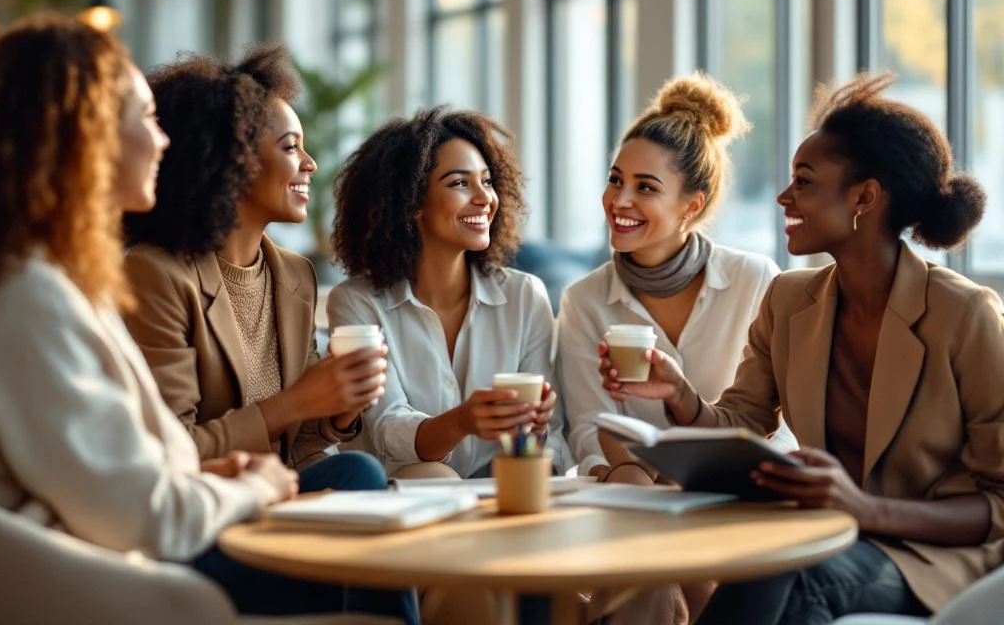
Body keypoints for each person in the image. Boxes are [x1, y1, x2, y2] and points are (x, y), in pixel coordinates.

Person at [0, 15, 416, 622]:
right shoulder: (38, 298)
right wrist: (248, 484)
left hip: (155, 529)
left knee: (361, 487)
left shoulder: (62, 284)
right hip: (114, 574)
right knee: (369, 539)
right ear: (87, 136)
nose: (162, 141)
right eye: (144, 121)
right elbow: (137, 511)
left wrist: (313, 421)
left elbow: (133, 462)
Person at [601, 72, 1004, 625]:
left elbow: (999, 502)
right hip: (823, 534)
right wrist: (680, 394)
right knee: (751, 558)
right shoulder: (789, 300)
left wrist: (865, 509)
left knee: (790, 575)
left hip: (933, 557)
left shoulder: (966, 314)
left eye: (804, 181)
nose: (784, 196)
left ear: (864, 197)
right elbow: (744, 419)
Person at [556, 73, 781, 625]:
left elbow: (775, 424)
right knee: (651, 578)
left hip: (740, 495)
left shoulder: (755, 281)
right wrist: (643, 487)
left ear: (691, 205)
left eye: (646, 188)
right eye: (616, 180)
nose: (620, 201)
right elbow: (586, 426)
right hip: (630, 494)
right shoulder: (585, 300)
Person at [122, 45, 388, 494]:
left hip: (274, 492)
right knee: (360, 478)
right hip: (206, 500)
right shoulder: (156, 274)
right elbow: (169, 450)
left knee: (358, 471)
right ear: (233, 161)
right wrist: (293, 403)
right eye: (290, 148)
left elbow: (299, 447)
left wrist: (340, 409)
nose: (310, 164)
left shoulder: (293, 275)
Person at [326, 107, 572, 480]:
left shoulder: (525, 296)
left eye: (487, 182)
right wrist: (462, 421)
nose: (484, 199)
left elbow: (551, 435)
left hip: (502, 487)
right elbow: (387, 428)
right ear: (412, 204)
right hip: (407, 495)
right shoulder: (357, 303)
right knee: (433, 475)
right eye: (460, 183)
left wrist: (534, 428)